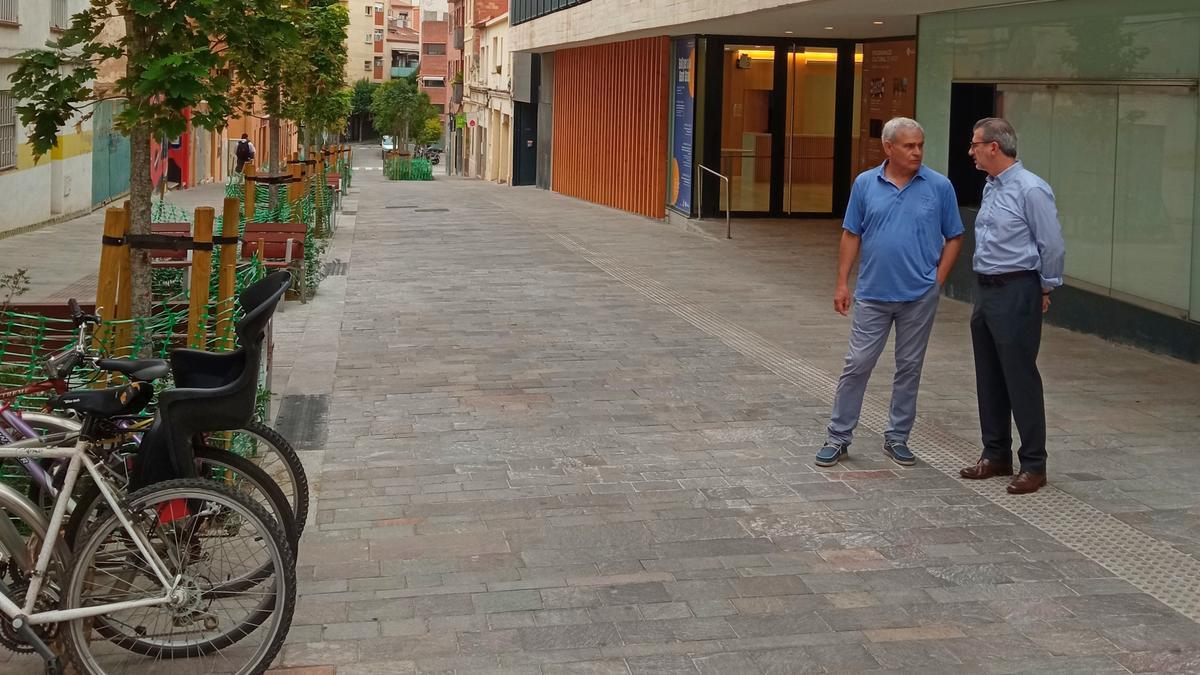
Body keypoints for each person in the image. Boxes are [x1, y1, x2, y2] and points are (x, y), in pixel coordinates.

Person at [816, 117, 964, 468]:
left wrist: (937, 280)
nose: (916, 152)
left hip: (919, 297)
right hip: (873, 294)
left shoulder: (939, 186)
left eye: (920, 145)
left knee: (909, 367)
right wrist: (841, 282)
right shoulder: (866, 184)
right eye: (909, 146)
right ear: (888, 147)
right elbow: (852, 234)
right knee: (858, 364)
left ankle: (897, 437)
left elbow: (955, 236)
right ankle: (838, 437)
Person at [960, 118, 1065, 495]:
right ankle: (996, 454)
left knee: (1020, 376)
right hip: (986, 290)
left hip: (1017, 288)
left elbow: (1051, 244)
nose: (970, 151)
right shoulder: (992, 186)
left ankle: (1034, 463)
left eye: (975, 144)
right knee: (988, 374)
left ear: (994, 147)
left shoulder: (1031, 189)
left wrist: (1046, 286)